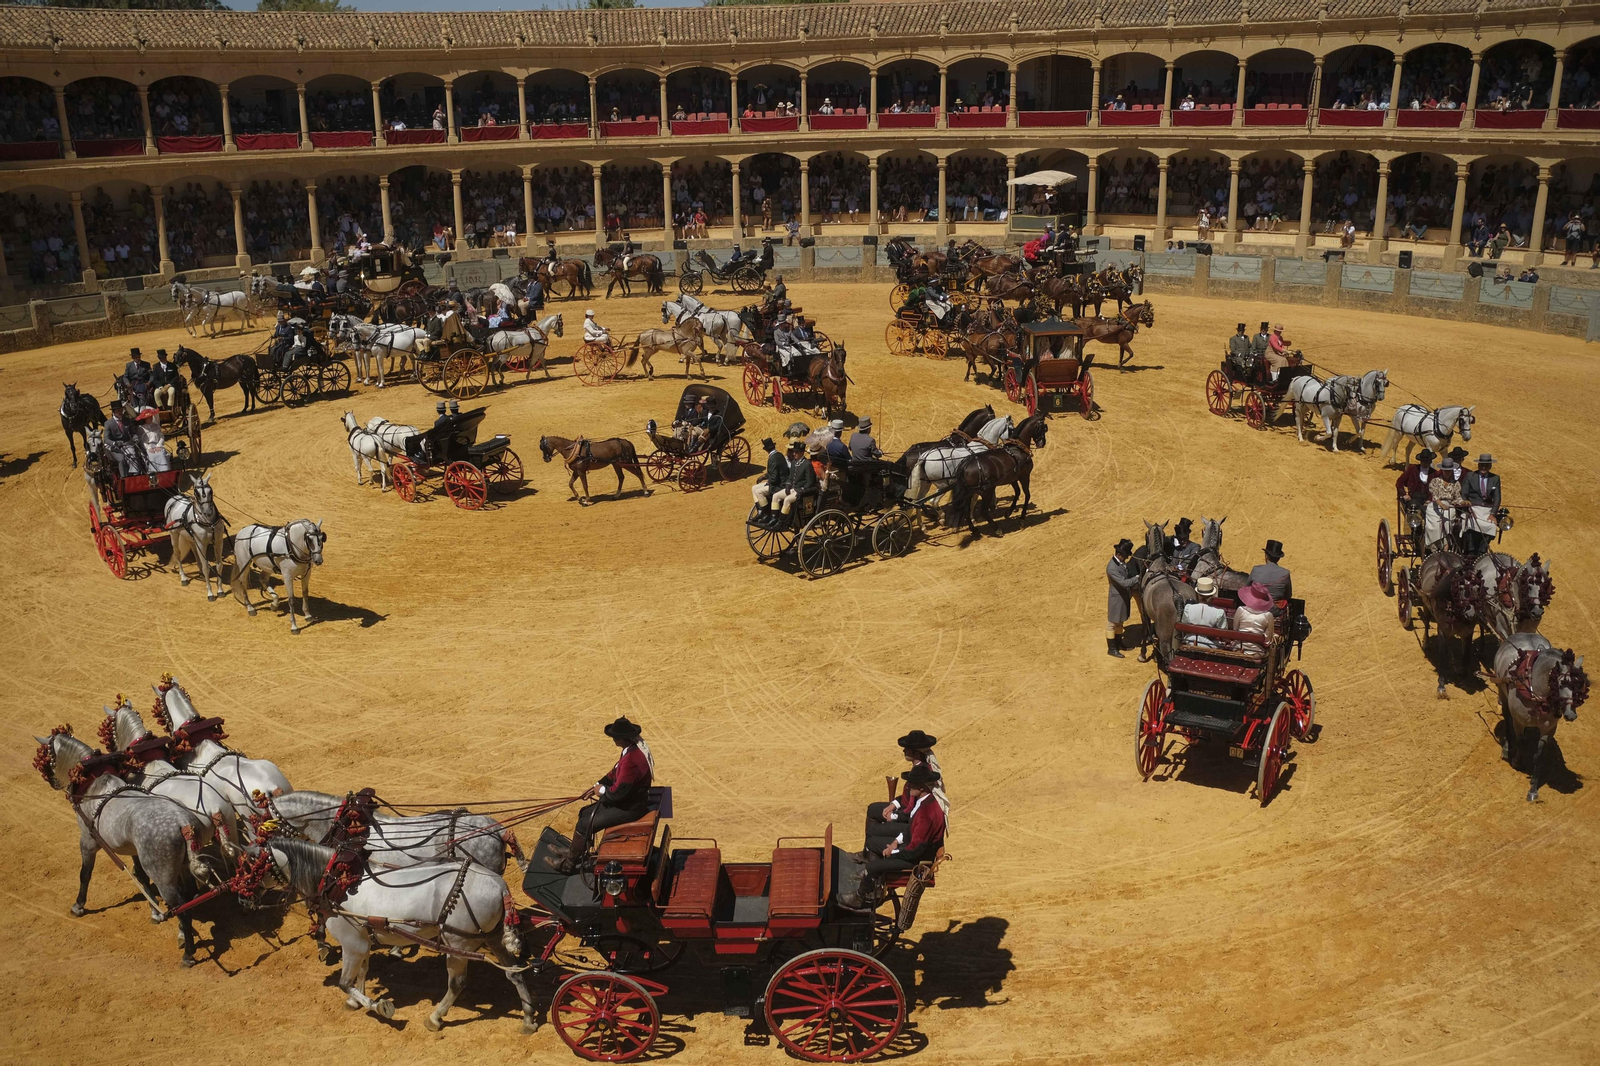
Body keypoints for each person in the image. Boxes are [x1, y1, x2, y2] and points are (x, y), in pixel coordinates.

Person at [545, 716, 656, 874]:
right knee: (585, 813)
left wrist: (601, 791)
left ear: (620, 739)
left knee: (585, 823)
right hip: (627, 803)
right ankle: (573, 851)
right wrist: (596, 785)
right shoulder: (631, 751)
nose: (613, 739)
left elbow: (617, 794)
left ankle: (568, 865)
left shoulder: (631, 760)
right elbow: (614, 773)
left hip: (630, 809)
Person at [839, 764, 946, 909]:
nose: (909, 787)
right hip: (908, 848)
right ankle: (876, 882)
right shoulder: (925, 803)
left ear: (921, 787)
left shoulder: (926, 814)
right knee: (872, 842)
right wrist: (895, 842)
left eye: (912, 784)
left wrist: (893, 853)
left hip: (915, 859)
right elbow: (910, 829)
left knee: (873, 866)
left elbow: (915, 850)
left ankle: (859, 896)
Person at [860, 729, 943, 852]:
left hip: (910, 822)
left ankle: (871, 855)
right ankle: (867, 852)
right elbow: (908, 797)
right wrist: (894, 804)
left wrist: (893, 816)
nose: (904, 750)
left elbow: (913, 810)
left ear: (916, 753)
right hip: (905, 812)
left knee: (873, 831)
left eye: (907, 749)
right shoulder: (920, 768)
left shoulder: (923, 772)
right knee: (873, 809)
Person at [1461, 452, 1502, 556]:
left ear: (1490, 466)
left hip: (1487, 509)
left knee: (1491, 525)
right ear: (1478, 465)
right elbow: (1464, 494)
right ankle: (1471, 551)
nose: (1483, 467)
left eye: (1486, 465)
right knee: (1470, 523)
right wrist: (1467, 507)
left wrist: (1493, 513)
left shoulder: (1495, 478)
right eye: (1482, 465)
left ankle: (1482, 551)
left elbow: (1497, 498)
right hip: (1473, 508)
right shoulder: (1470, 476)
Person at [1426, 457, 1468, 551]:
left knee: (1448, 523)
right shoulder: (1435, 481)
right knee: (1435, 525)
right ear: (1442, 470)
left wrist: (1463, 502)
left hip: (1449, 506)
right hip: (1435, 507)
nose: (1447, 472)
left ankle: (1446, 544)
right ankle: (1434, 545)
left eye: (1449, 470)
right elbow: (1434, 495)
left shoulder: (1456, 484)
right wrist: (1441, 504)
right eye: (1446, 470)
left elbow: (1457, 498)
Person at [1106, 538, 1139, 657]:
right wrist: (1137, 578)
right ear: (1119, 554)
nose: (1126, 558)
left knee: (1120, 621)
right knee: (1112, 623)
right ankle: (1112, 648)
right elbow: (1125, 583)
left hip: (1122, 596)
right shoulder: (1111, 568)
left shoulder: (1120, 563)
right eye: (1125, 556)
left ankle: (1119, 643)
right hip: (1116, 598)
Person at [1395, 447, 1436, 536]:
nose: (1425, 463)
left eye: (1428, 461)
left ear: (1430, 461)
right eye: (1424, 461)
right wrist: (1404, 494)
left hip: (1426, 498)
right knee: (1414, 508)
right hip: (1414, 497)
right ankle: (1416, 532)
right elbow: (1400, 482)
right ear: (1420, 461)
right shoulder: (1412, 469)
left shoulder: (1434, 473)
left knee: (1430, 512)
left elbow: (1436, 488)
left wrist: (1430, 499)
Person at [770, 440, 817, 516]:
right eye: (794, 451)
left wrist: (801, 490)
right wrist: (788, 485)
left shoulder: (807, 464)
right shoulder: (793, 463)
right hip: (792, 489)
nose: (794, 454)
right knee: (775, 496)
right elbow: (790, 477)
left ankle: (782, 521)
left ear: (802, 453)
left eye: (796, 452)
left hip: (801, 491)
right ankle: (774, 518)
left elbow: (810, 482)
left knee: (787, 500)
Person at [1181, 576, 1228, 645]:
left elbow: (1184, 625)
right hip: (1210, 645)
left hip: (1190, 641)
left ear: (1198, 594)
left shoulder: (1188, 608)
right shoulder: (1219, 613)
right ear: (1212, 595)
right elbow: (1224, 633)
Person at [752, 437, 788, 513]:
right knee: (754, 488)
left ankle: (766, 513)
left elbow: (774, 478)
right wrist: (764, 476)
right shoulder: (779, 455)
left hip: (778, 486)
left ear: (766, 450)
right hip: (778, 483)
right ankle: (760, 511)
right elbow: (774, 472)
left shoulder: (773, 458)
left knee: (758, 492)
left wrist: (767, 482)